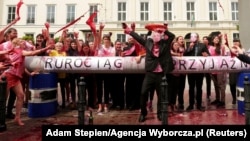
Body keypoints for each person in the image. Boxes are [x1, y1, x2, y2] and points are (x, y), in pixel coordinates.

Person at [123, 23, 175, 122]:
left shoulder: (165, 43)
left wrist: (164, 30)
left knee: (161, 95)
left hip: (161, 74)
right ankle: (143, 113)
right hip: (150, 73)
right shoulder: (148, 42)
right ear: (152, 36)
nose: (156, 36)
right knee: (143, 93)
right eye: (154, 34)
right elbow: (138, 38)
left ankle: (160, 113)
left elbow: (172, 36)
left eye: (158, 34)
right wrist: (129, 31)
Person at [0, 38, 53, 125]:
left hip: (15, 77)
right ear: (16, 43)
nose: (24, 43)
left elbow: (22, 67)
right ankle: (2, 120)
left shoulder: (17, 51)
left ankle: (17, 118)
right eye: (21, 41)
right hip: (8, 76)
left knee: (20, 96)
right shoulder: (18, 51)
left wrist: (29, 74)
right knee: (3, 99)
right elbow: (32, 53)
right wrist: (46, 48)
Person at [184, 32, 209, 112]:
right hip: (190, 70)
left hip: (199, 70)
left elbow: (208, 54)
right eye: (192, 37)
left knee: (199, 88)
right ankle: (191, 105)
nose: (193, 38)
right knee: (191, 88)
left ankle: (199, 105)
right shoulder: (189, 45)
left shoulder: (202, 45)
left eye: (195, 37)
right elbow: (184, 55)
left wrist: (206, 55)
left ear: (198, 38)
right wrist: (189, 48)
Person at [202, 36, 211, 101]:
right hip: (201, 67)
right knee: (200, 82)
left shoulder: (211, 47)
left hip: (208, 67)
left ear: (208, 41)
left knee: (208, 82)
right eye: (204, 39)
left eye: (206, 39)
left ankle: (208, 95)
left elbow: (211, 55)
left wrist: (207, 55)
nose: (205, 40)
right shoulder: (200, 47)